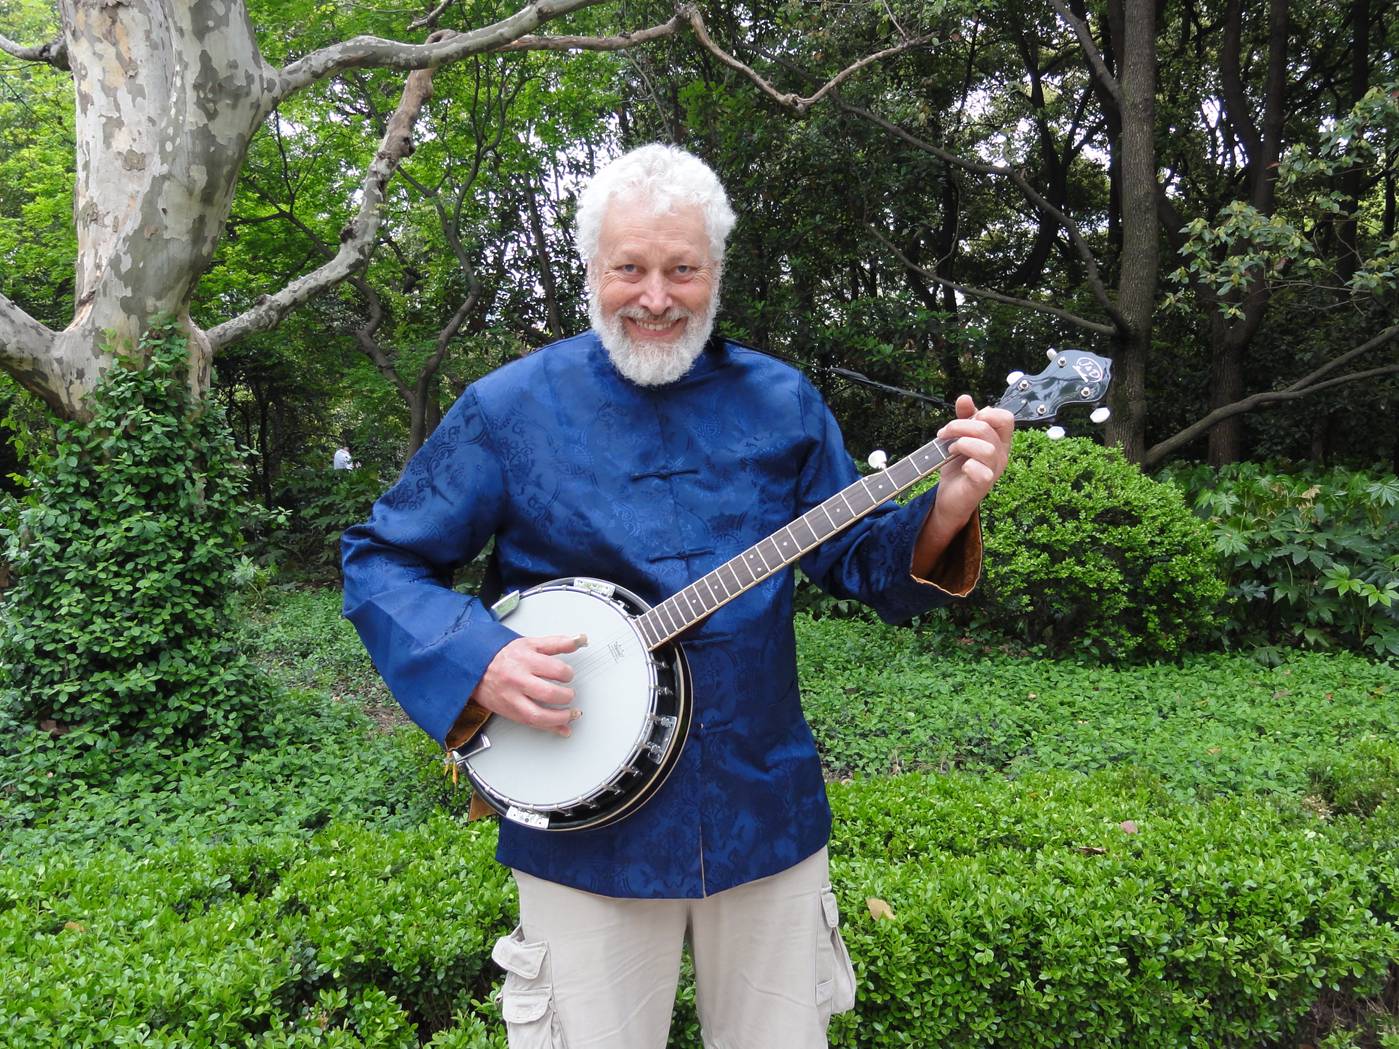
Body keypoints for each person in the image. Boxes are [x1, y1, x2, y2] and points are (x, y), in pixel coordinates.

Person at [341, 144, 1013, 1049]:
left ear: (715, 274)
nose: (654, 296)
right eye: (630, 268)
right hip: (585, 832)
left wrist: (946, 510)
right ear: (592, 270)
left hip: (762, 809)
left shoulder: (781, 402)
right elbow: (382, 558)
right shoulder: (508, 411)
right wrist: (480, 658)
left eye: (681, 269)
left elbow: (857, 557)